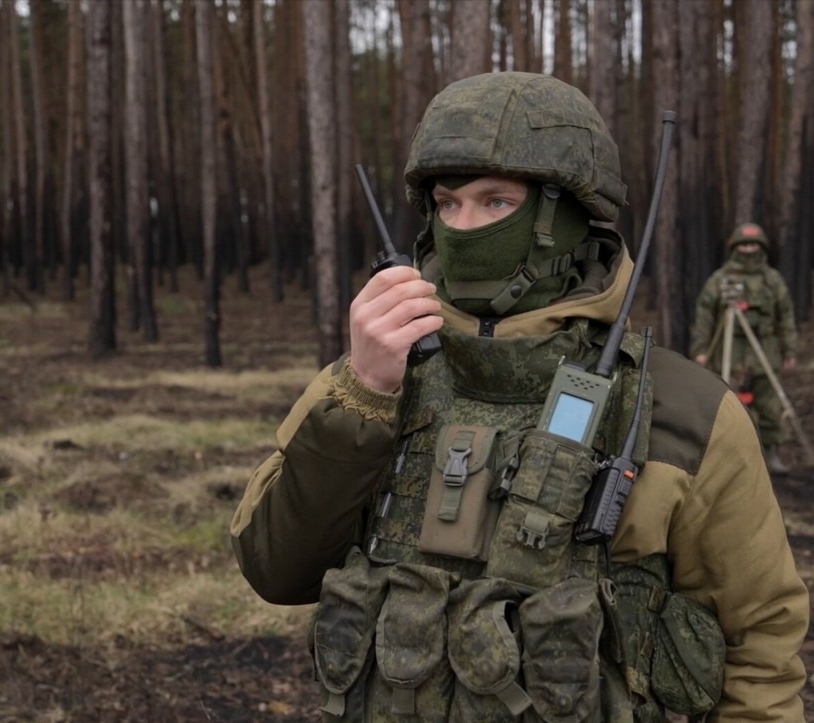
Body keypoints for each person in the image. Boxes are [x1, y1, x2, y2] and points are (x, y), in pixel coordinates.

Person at [231, 72, 808, 721]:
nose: (463, 227)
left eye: (496, 201)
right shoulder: (374, 380)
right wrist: (362, 397)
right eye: (448, 203)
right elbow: (274, 569)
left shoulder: (682, 410)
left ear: (567, 216)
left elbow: (760, 647)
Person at [690, 222, 799, 475]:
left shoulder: (772, 280)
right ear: (735, 248)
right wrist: (701, 349)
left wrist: (790, 351)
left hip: (765, 352)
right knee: (729, 406)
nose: (749, 250)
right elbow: (705, 317)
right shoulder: (720, 280)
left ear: (762, 248)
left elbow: (786, 317)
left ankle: (771, 453)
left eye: (753, 245)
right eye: (744, 245)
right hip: (730, 352)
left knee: (770, 407)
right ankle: (729, 456)